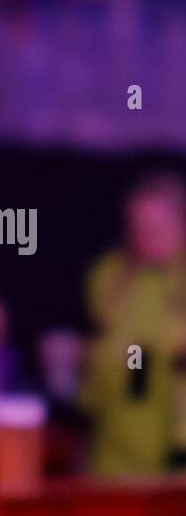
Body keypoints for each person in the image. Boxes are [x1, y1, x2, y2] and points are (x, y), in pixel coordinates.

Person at [80, 171, 186, 476]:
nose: (146, 236)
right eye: (138, 226)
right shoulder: (109, 275)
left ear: (179, 224)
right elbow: (105, 347)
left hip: (174, 445)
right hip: (113, 443)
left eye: (157, 227)